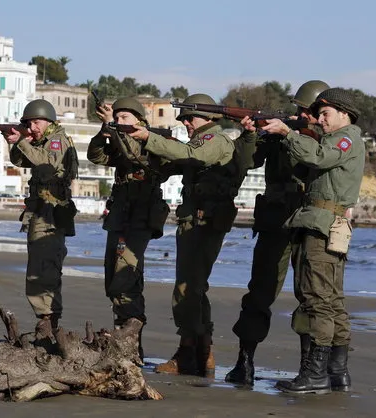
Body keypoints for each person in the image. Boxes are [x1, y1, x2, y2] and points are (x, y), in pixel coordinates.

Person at [126, 94, 256, 376]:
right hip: (196, 220)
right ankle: (203, 351)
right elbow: (176, 161)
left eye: (190, 117)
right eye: (183, 118)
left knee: (186, 289)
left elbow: (191, 156)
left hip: (204, 221)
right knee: (195, 288)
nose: (185, 122)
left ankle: (188, 352)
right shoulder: (202, 141)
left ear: (210, 119)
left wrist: (150, 137)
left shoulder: (214, 140)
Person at [256, 88, 364, 394]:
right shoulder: (340, 139)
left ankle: (316, 373)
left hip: (321, 225)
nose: (320, 120)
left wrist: (288, 134)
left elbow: (319, 156)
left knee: (317, 299)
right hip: (322, 222)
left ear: (344, 113)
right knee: (332, 300)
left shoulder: (345, 139)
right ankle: (337, 372)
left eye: (325, 114)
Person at [225, 80, 330, 386]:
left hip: (309, 220)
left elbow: (320, 160)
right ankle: (244, 363)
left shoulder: (327, 138)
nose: (302, 115)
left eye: (307, 111)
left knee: (311, 295)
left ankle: (309, 369)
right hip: (275, 217)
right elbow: (246, 161)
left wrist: (291, 135)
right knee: (259, 290)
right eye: (299, 110)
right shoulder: (281, 131)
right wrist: (249, 133)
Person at [87, 97, 172, 359]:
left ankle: (131, 344)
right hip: (121, 213)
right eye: (118, 116)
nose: (120, 121)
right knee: (114, 277)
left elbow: (133, 154)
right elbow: (96, 155)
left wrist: (114, 127)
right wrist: (105, 132)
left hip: (141, 215)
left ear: (139, 120)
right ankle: (123, 338)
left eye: (125, 117)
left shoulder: (151, 140)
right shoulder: (117, 136)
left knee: (126, 276)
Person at [3, 99, 79, 332]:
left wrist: (23, 141)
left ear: (49, 121)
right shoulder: (43, 141)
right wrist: (13, 143)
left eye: (37, 122)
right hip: (41, 210)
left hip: (51, 212)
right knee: (38, 263)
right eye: (29, 123)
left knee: (45, 265)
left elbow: (45, 163)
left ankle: (48, 319)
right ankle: (46, 318)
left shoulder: (57, 141)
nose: (33, 127)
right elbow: (21, 160)